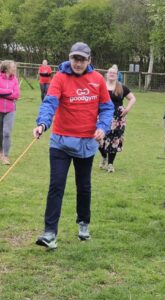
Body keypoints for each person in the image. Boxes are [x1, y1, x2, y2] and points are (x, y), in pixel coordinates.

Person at [32, 42, 114, 249]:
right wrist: (42, 123)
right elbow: (50, 103)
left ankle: (83, 224)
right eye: (74, 58)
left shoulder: (97, 80)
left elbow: (106, 108)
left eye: (82, 59)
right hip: (60, 142)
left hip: (86, 144)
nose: (78, 63)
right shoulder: (59, 77)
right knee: (56, 186)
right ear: (70, 58)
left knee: (83, 186)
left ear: (89, 60)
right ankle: (50, 233)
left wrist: (103, 127)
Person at [98, 65, 136, 173]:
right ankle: (104, 156)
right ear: (106, 74)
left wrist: (127, 109)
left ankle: (110, 164)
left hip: (117, 118)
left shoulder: (121, 87)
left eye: (114, 73)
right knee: (99, 139)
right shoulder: (101, 86)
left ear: (117, 75)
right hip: (102, 116)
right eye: (110, 72)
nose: (111, 74)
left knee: (114, 140)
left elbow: (133, 98)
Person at [0, 60, 20, 165]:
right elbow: (12, 93)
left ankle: (5, 156)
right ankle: (0, 152)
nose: (15, 68)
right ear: (7, 68)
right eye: (13, 66)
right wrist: (9, 92)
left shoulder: (15, 80)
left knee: (7, 133)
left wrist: (2, 93)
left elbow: (16, 95)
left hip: (10, 110)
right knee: (0, 133)